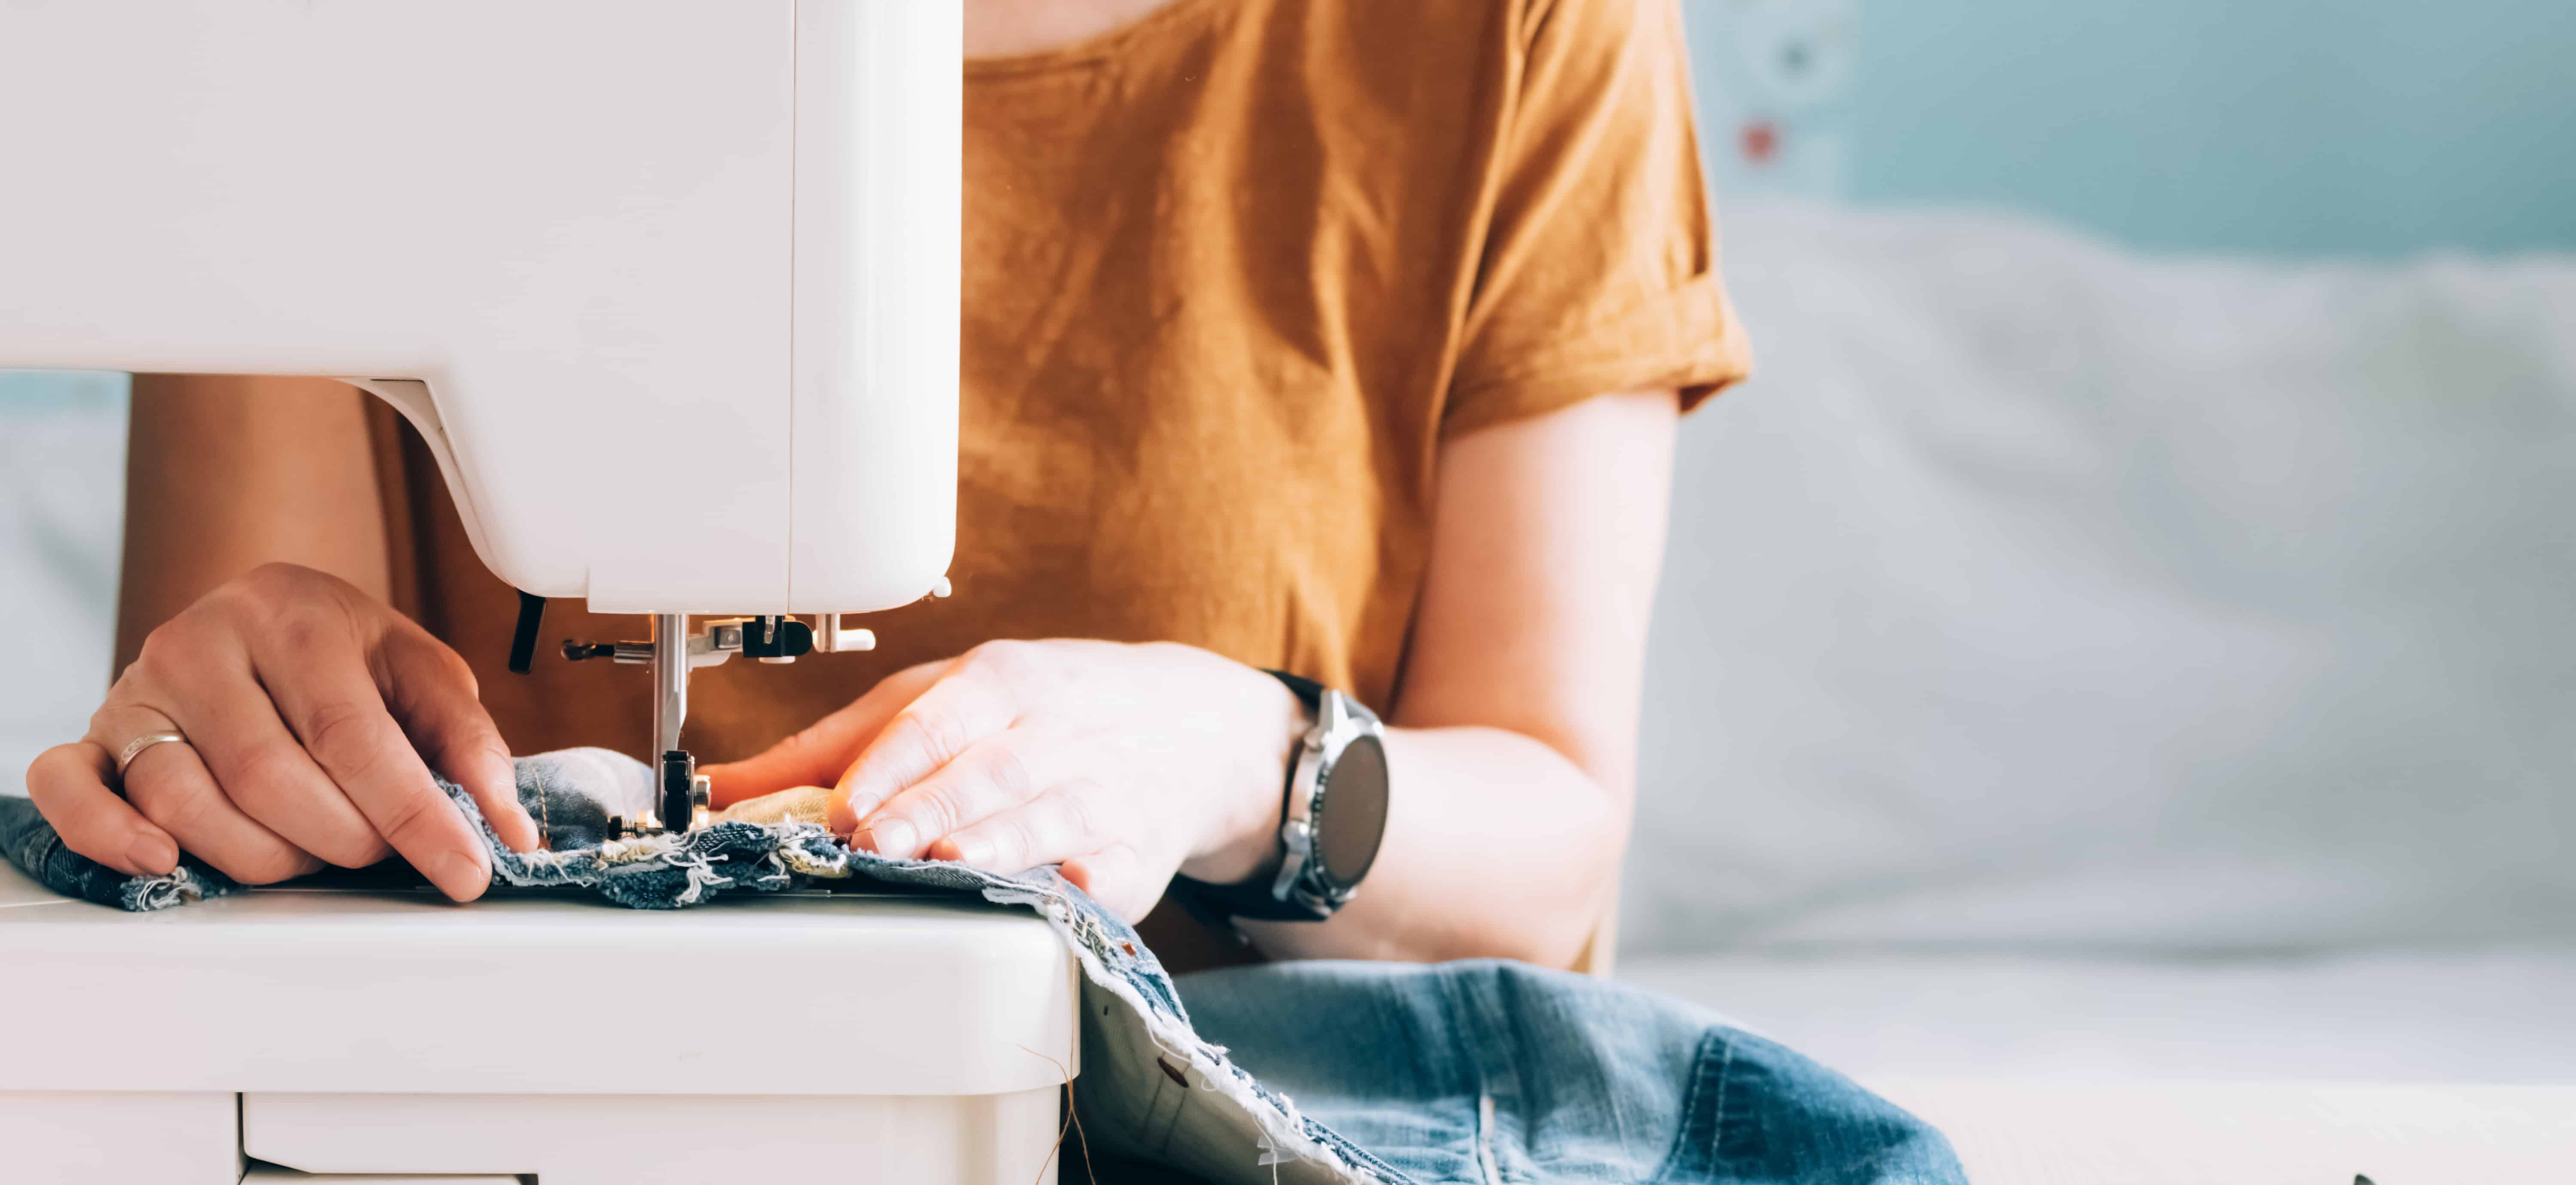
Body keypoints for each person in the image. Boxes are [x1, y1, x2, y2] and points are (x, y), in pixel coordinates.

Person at [28, 0, 1747, 973]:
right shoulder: (324, 33)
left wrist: (1240, 756)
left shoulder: (1518, 30)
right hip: (534, 1175)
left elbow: (1551, 848)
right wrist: (242, 706)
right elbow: (258, 854)